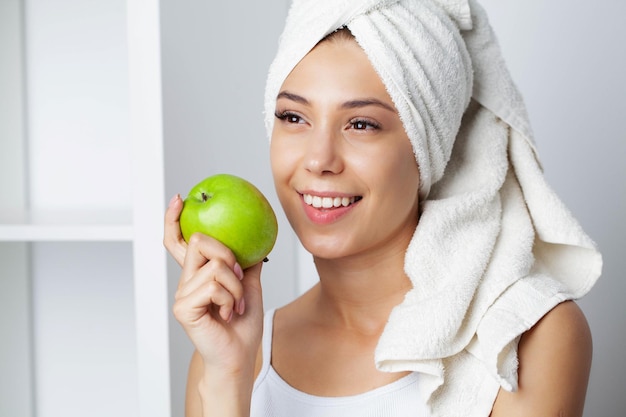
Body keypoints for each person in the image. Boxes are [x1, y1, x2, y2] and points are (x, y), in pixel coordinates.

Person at [163, 0, 602, 416]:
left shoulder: (522, 338)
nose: (318, 160)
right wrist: (229, 378)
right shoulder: (226, 354)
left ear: (426, 147)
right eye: (293, 117)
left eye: (361, 124)